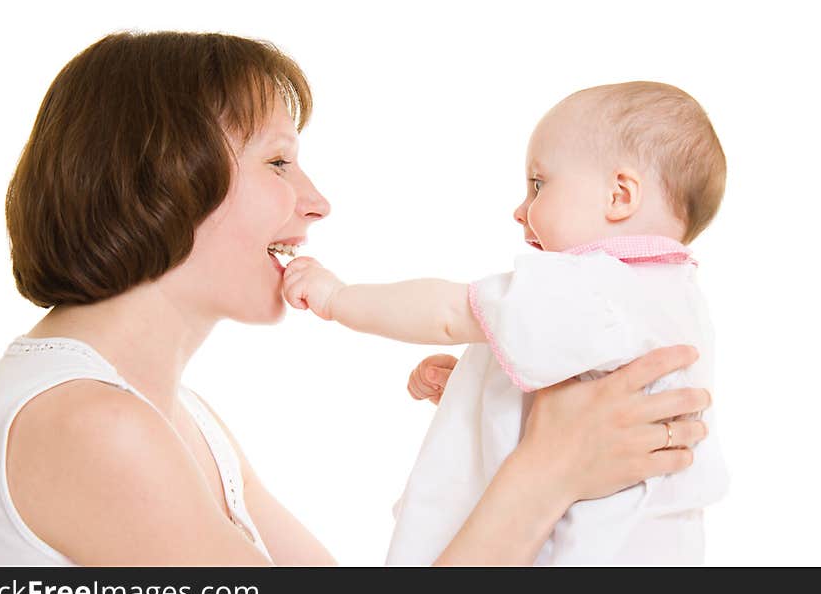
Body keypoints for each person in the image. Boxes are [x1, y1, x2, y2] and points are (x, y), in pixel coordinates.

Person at [0, 34, 710, 566]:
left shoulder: (180, 419)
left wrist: (495, 418)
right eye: (279, 162)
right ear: (160, 179)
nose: (316, 203)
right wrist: (547, 473)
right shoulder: (91, 426)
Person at [282, 81, 728, 565]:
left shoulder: (592, 285)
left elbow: (449, 314)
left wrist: (336, 296)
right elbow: (582, 400)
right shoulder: (672, 297)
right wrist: (488, 390)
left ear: (619, 195)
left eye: (539, 184)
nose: (521, 210)